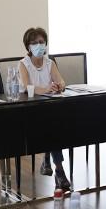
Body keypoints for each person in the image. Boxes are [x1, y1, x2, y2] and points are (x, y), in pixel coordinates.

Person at [17, 27, 71, 191]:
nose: (39, 45)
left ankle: (50, 160)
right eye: (34, 43)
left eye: (41, 42)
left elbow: (61, 81)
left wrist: (59, 86)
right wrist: (46, 89)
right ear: (28, 46)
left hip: (49, 110)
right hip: (29, 112)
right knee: (52, 127)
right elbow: (27, 87)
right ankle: (59, 170)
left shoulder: (49, 63)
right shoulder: (23, 64)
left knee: (54, 124)